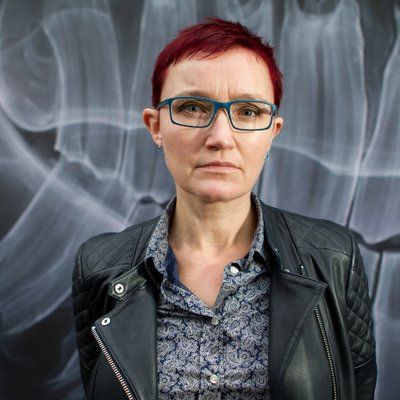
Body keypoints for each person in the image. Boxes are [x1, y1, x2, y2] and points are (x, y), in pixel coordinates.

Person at [72, 17, 376, 400]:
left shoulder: (335, 258)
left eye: (248, 111)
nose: (220, 137)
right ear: (155, 126)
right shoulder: (99, 268)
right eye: (192, 107)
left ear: (272, 132)